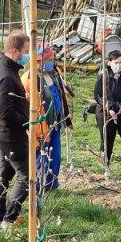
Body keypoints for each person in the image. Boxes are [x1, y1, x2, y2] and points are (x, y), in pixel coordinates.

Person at [0, 31, 31, 230]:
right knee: (27, 175)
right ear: (15, 51)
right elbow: (7, 112)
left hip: (4, 132)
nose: (27, 55)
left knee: (4, 173)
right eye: (25, 51)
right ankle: (9, 218)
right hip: (10, 133)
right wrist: (27, 120)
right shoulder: (6, 76)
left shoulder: (4, 68)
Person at [91, 49, 121, 166]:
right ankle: (105, 166)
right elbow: (98, 95)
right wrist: (108, 107)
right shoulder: (103, 77)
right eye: (116, 63)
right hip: (106, 112)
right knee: (107, 139)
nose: (119, 65)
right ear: (109, 63)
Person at [35, 46, 72, 191]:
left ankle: (52, 183)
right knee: (41, 156)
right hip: (43, 125)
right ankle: (39, 185)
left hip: (56, 122)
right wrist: (42, 129)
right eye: (48, 60)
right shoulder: (32, 79)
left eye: (52, 59)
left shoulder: (53, 74)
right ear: (38, 61)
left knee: (55, 155)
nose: (51, 62)